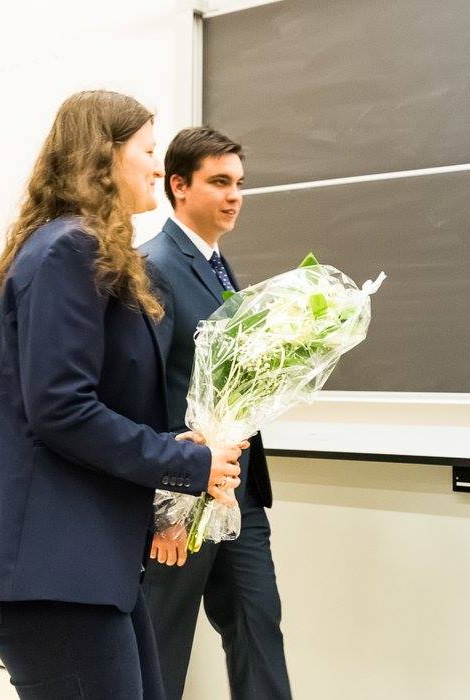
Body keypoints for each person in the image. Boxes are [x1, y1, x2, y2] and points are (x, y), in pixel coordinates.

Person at [0, 91, 245, 699]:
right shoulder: (70, 249)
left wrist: (176, 447)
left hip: (80, 560)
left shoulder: (81, 248)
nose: (157, 167)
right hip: (47, 565)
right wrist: (185, 462)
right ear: (105, 155)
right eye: (147, 151)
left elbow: (92, 402)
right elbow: (62, 410)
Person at [138, 126, 292, 700]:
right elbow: (144, 390)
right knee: (162, 639)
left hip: (238, 492)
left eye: (240, 184)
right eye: (220, 183)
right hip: (185, 495)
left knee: (259, 623)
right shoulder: (153, 265)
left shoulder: (219, 267)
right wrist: (166, 506)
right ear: (179, 186)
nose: (235, 196)